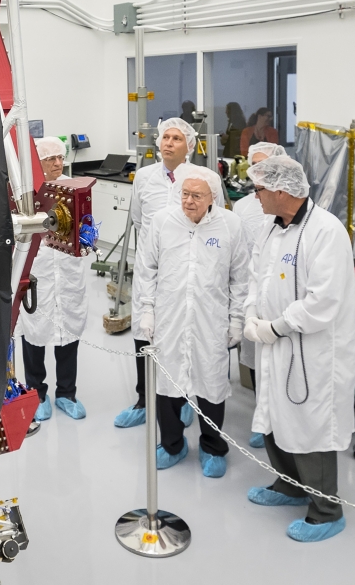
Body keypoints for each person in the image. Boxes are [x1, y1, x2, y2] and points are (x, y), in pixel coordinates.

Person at [243, 155, 355, 543]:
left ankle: (327, 510)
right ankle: (290, 485)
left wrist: (276, 326)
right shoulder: (269, 229)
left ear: (279, 190)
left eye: (258, 189)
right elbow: (256, 279)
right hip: (272, 344)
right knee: (275, 415)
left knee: (310, 424)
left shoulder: (326, 231)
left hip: (313, 351)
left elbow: (323, 301)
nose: (254, 196)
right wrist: (250, 316)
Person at [136, 165, 249, 477]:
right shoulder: (163, 222)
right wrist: (147, 309)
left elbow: (240, 277)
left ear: (212, 197)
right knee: (167, 381)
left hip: (211, 318)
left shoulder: (230, 225)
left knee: (212, 383)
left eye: (196, 196)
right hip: (169, 315)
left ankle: (213, 447)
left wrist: (236, 319)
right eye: (185, 194)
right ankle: (172, 444)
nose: (188, 201)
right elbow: (148, 268)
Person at [114, 118, 196, 429]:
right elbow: (138, 218)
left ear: (188, 145)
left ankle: (185, 396)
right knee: (143, 334)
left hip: (184, 270)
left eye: (176, 138)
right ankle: (144, 398)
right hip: (150, 269)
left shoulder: (198, 178)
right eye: (165, 137)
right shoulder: (145, 177)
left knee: (182, 335)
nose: (168, 143)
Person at [17, 137, 87, 421]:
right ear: (38, 163)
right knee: (34, 330)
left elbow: (87, 223)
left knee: (68, 331)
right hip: (39, 271)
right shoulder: (27, 193)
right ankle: (37, 392)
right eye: (51, 159)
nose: (58, 163)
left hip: (69, 272)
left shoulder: (74, 189)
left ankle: (67, 394)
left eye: (60, 157)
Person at [233, 142, 287, 449]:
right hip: (252, 295)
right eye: (253, 164)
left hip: (282, 298)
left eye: (263, 165)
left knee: (281, 361)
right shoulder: (242, 207)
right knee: (254, 357)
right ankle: (261, 415)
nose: (257, 172)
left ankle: (281, 418)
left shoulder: (288, 204)